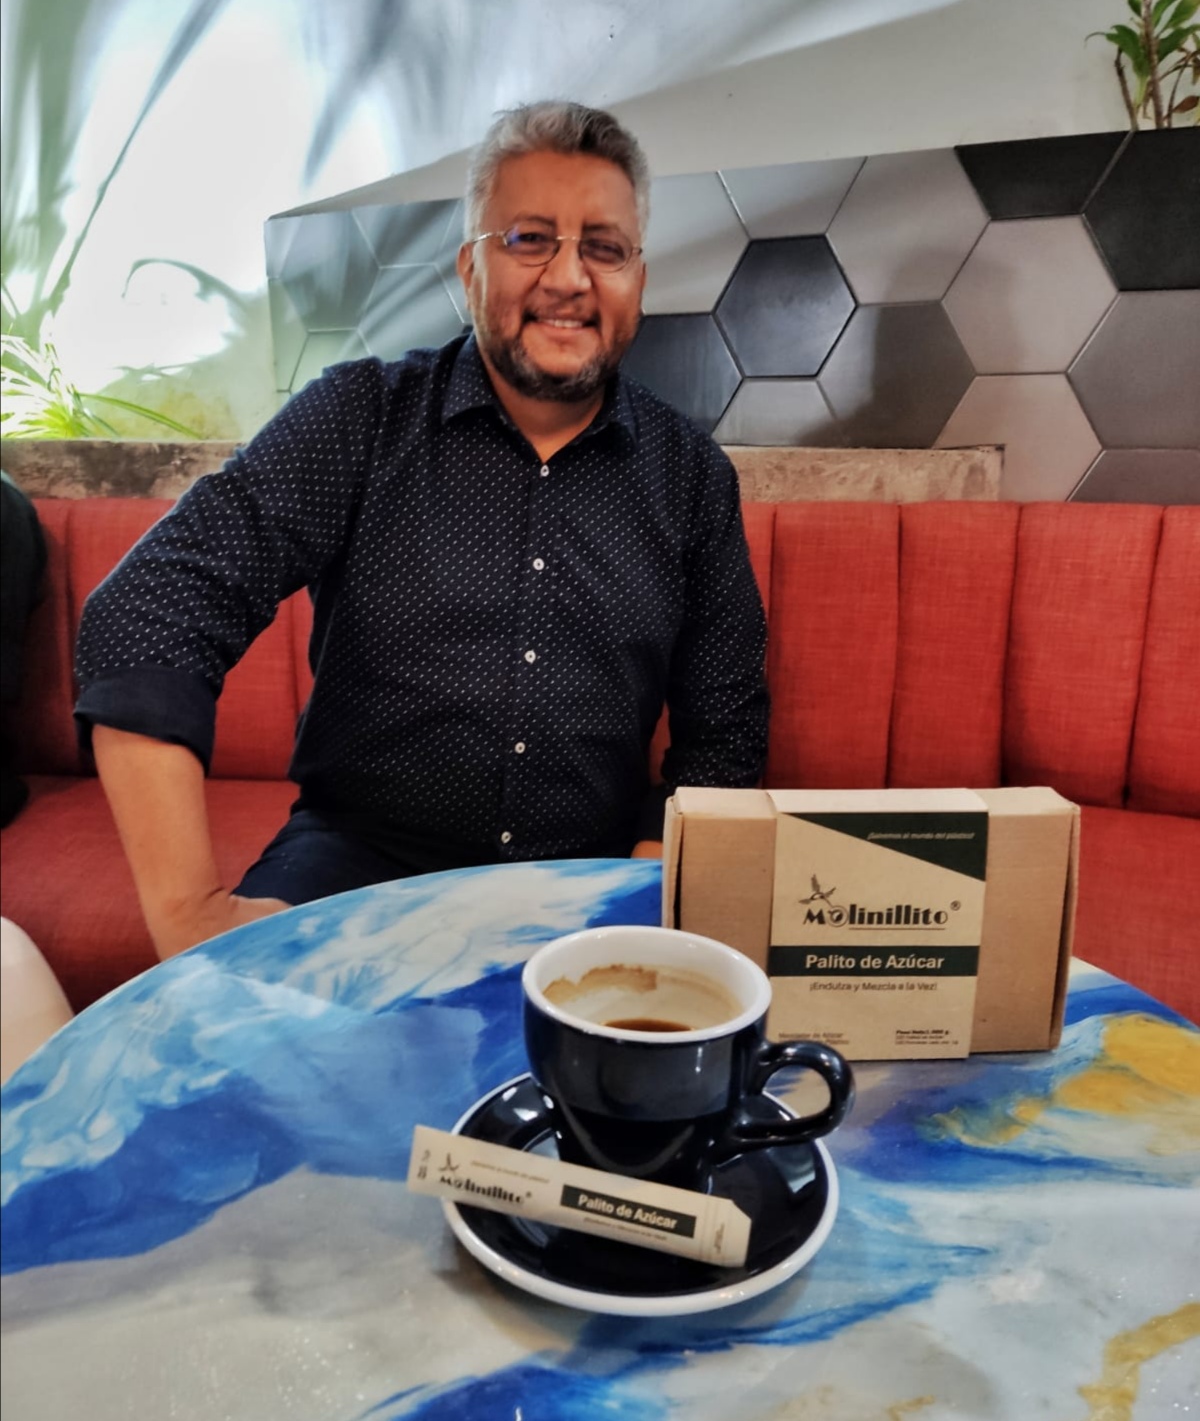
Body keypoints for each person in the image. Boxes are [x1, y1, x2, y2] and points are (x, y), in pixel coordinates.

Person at [75, 100, 768, 959]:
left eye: (604, 247)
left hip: (587, 882)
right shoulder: (358, 419)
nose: (568, 277)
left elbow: (725, 728)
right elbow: (148, 610)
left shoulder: (692, 477)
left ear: (638, 279)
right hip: (353, 871)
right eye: (529, 238)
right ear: (471, 266)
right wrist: (186, 911)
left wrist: (646, 884)